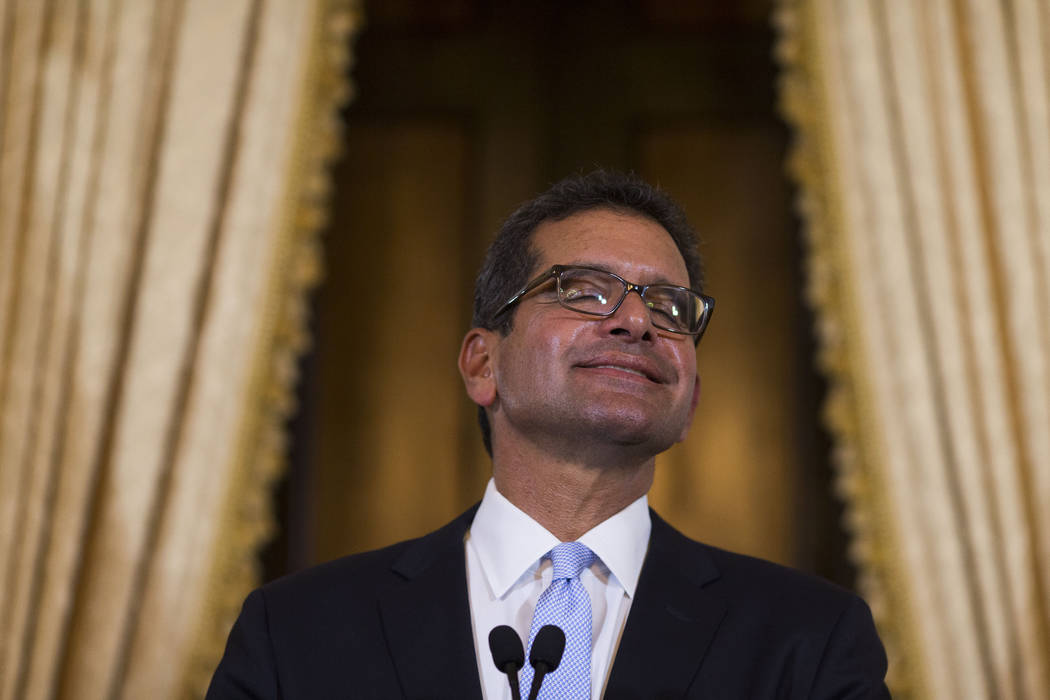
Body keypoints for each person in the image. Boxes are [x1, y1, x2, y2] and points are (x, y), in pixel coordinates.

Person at [206, 171, 890, 699]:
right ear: (483, 362)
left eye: (669, 307)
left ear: (692, 399)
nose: (636, 322)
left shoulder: (809, 640)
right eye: (585, 290)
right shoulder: (297, 632)